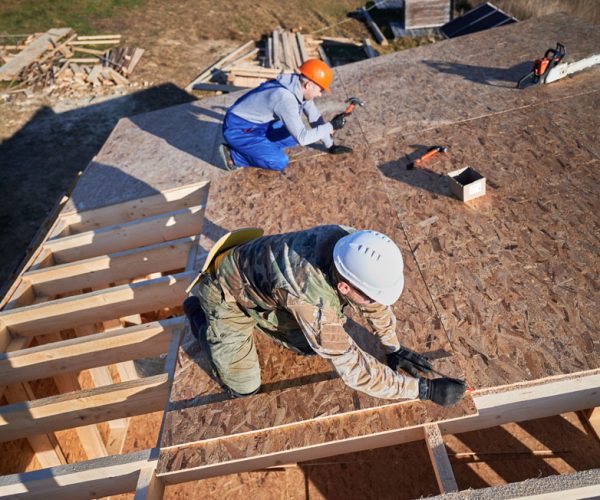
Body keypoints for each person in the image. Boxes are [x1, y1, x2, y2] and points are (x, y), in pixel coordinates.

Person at [184, 225, 467, 407]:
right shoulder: (311, 300)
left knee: (307, 347)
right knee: (245, 388)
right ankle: (200, 316)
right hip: (225, 292)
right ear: (343, 286)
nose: (373, 304)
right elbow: (354, 370)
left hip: (265, 284)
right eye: (368, 296)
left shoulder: (352, 245)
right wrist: (424, 390)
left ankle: (261, 315)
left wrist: (393, 347)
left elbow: (374, 304)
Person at [220, 59, 353, 171]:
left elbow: (314, 117)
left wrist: (330, 146)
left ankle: (258, 148)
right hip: (238, 129)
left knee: (291, 137)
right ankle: (234, 156)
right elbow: (303, 138)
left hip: (258, 125)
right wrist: (331, 126)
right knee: (279, 161)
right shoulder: (285, 98)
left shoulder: (297, 85)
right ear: (309, 84)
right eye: (320, 90)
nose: (320, 94)